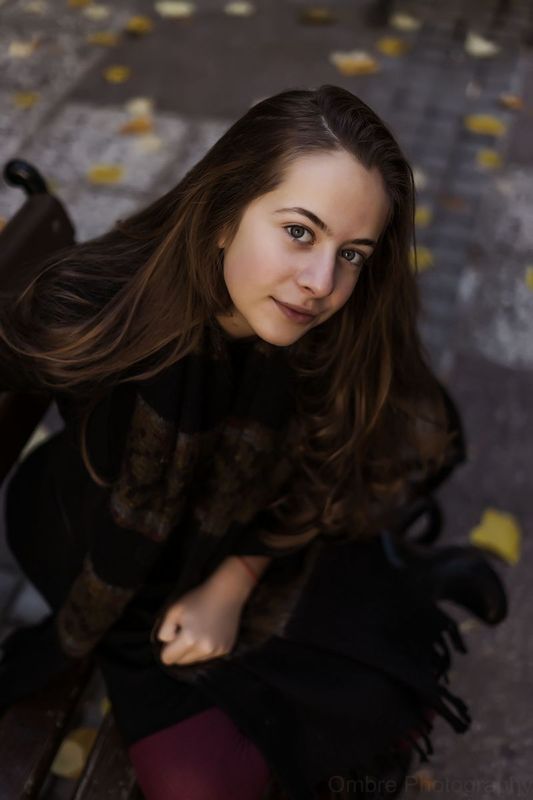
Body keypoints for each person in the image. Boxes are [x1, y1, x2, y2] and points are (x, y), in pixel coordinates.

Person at [0, 85, 507, 800]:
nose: (321, 282)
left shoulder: (329, 332)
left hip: (232, 529)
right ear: (222, 215)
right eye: (299, 232)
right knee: (213, 780)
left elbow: (326, 464)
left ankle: (402, 570)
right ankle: (397, 570)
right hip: (110, 564)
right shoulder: (101, 311)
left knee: (378, 682)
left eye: (352, 253)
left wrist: (235, 580)